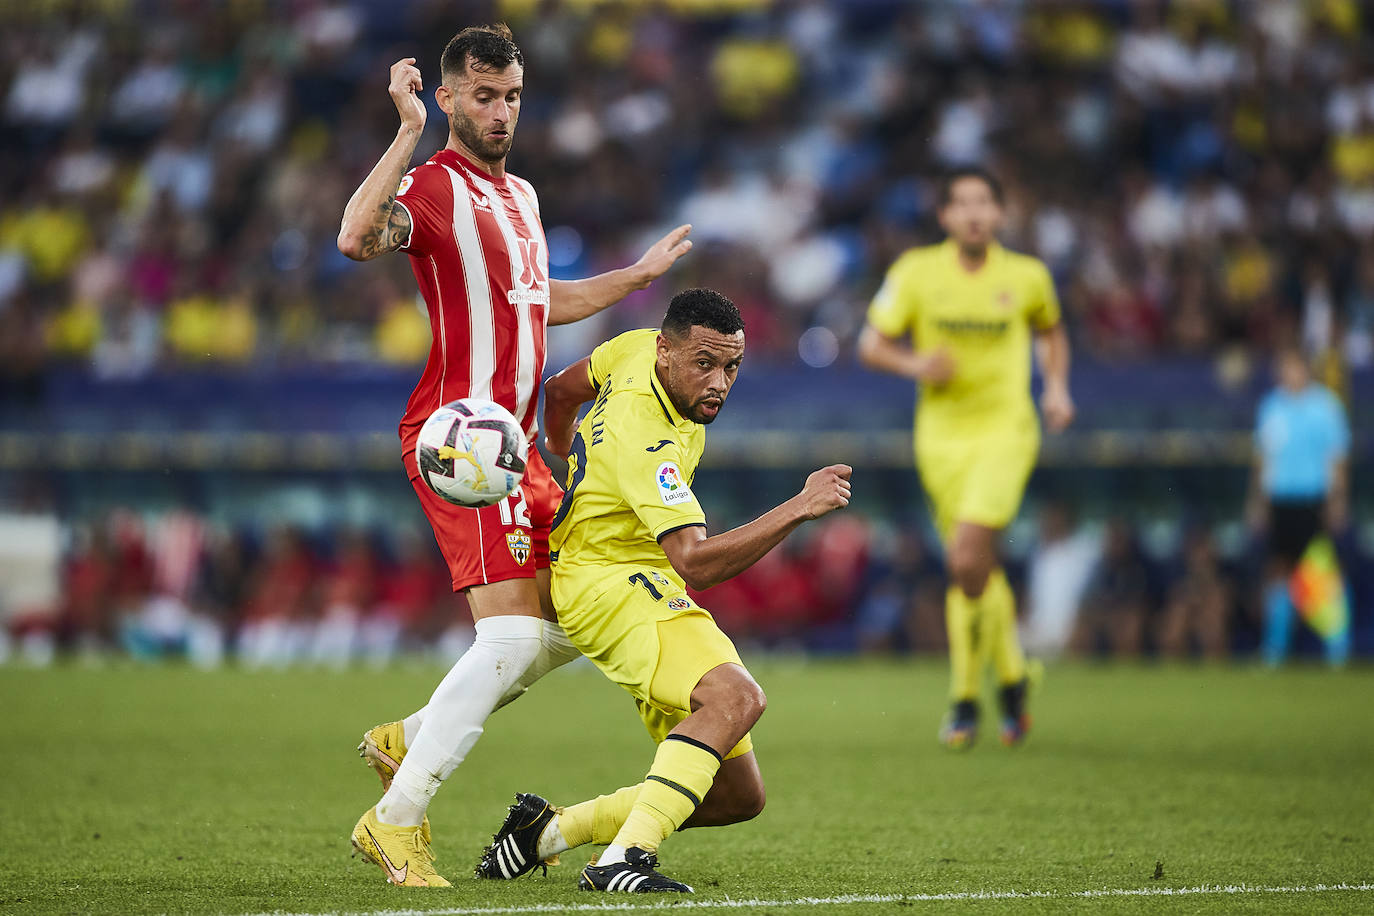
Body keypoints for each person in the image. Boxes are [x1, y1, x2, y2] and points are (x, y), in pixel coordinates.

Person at [335, 24, 693, 887]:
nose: (501, 114)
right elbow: (354, 237)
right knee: (507, 637)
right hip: (461, 438)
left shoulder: (523, 198)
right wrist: (404, 131)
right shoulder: (431, 186)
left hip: (517, 444)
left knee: (566, 616)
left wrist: (635, 277)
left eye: (513, 98)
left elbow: (543, 300)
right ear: (452, 97)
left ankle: (410, 737)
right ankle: (397, 820)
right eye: (485, 97)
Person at [473, 289, 851, 893]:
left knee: (734, 795)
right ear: (668, 351)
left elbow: (561, 391)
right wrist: (800, 508)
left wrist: (563, 448)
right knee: (736, 698)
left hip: (609, 574)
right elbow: (695, 563)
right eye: (705, 364)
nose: (720, 382)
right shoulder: (649, 442)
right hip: (613, 579)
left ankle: (544, 835)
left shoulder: (631, 350)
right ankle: (623, 860)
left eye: (731, 367)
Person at [857, 166, 1074, 749]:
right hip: (941, 438)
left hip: (1006, 429)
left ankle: (963, 697)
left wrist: (1055, 388)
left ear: (1000, 215)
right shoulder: (916, 273)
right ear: (946, 216)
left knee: (965, 553)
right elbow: (870, 343)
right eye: (963, 203)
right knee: (972, 567)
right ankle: (1012, 679)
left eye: (985, 203)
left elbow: (1051, 332)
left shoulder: (1027, 277)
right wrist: (915, 365)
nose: (975, 213)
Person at [1246, 346, 1350, 666]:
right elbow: (1263, 460)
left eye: (1294, 367)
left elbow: (1336, 458)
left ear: (1306, 369)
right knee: (1278, 572)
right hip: (1280, 499)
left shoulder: (1326, 407)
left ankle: (1337, 647)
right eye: (1283, 367)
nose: (1288, 374)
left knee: (1320, 573)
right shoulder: (1271, 406)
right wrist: (1256, 501)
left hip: (1312, 498)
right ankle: (1275, 649)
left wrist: (1337, 500)